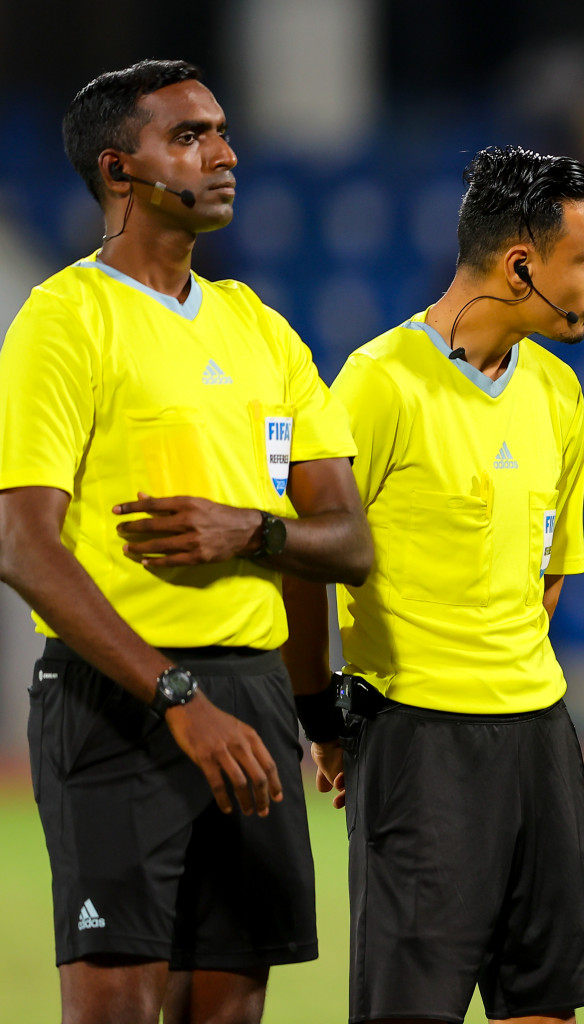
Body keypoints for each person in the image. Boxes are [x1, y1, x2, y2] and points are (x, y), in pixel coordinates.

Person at [0, 60, 372, 1024]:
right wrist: (174, 692)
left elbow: (346, 544)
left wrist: (252, 536)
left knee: (228, 1012)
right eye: (191, 137)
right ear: (120, 170)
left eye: (222, 132)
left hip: (252, 696)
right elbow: (22, 545)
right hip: (119, 702)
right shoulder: (63, 319)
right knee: (116, 1008)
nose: (224, 154)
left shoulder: (259, 327)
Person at [282, 145, 584, 1024]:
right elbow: (304, 562)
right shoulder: (377, 383)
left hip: (540, 740)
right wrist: (324, 715)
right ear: (519, 265)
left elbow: (548, 575)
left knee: (544, 1003)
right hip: (419, 745)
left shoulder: (559, 393)